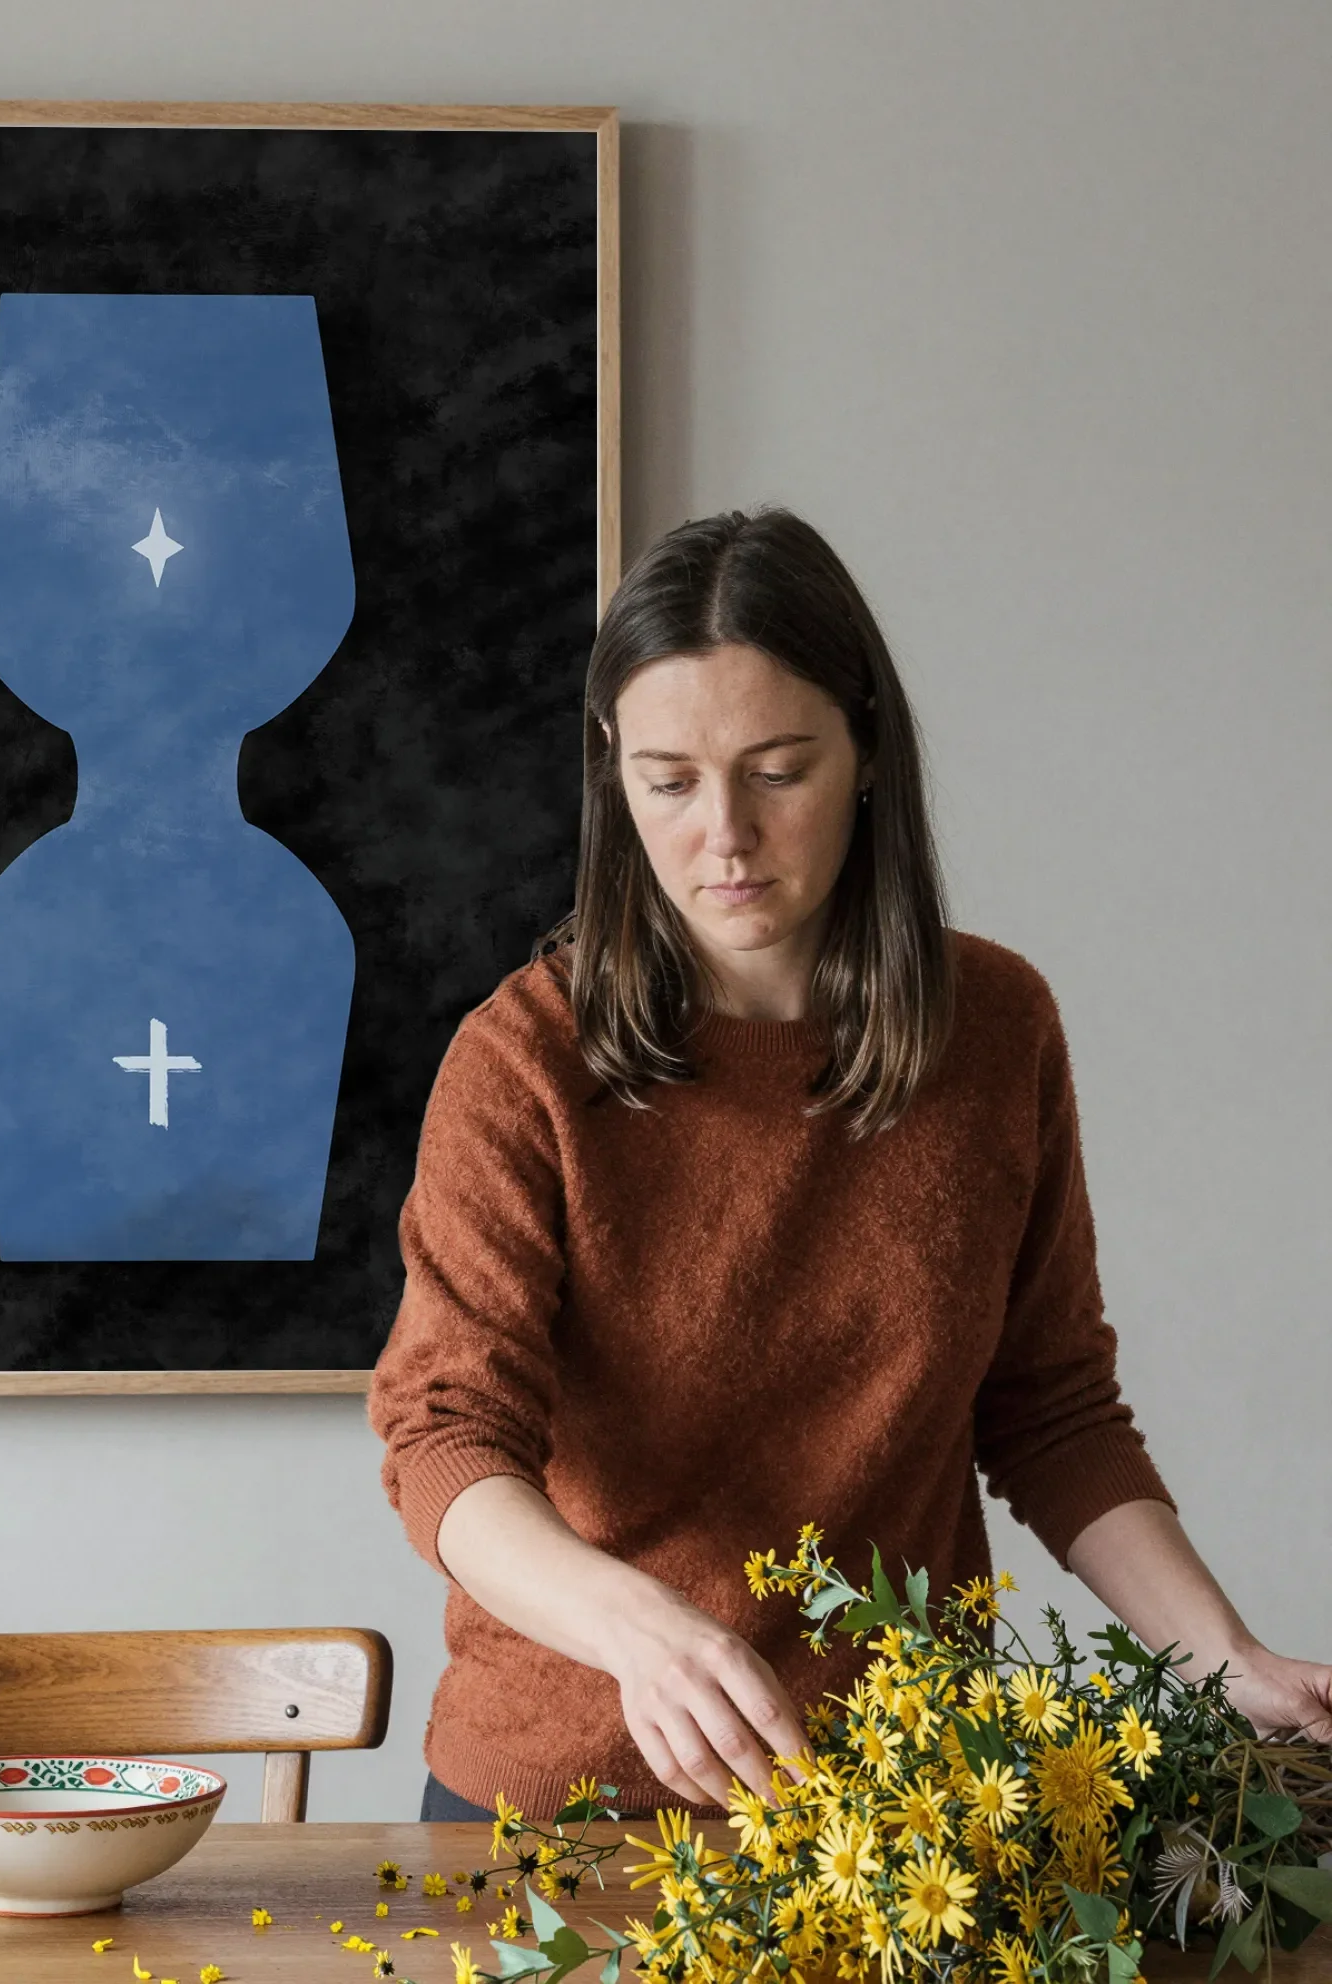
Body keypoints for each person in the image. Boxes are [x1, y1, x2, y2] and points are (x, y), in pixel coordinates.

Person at [367, 508, 1332, 1824]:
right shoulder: (525, 1062)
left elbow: (1050, 1411)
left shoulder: (995, 1031)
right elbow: (443, 1440)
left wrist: (1225, 1657)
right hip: (564, 1803)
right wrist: (640, 1630)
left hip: (907, 1808)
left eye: (777, 770)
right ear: (613, 774)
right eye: (669, 779)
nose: (726, 833)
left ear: (867, 750)